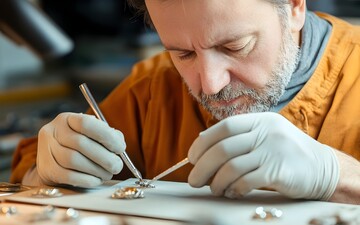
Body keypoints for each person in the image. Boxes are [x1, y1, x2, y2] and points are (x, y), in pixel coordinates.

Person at [10, 0, 360, 204]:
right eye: (184, 54)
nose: (210, 84)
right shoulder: (151, 90)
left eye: (234, 46)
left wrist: (337, 175)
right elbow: (33, 179)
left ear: (295, 6)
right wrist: (45, 170)